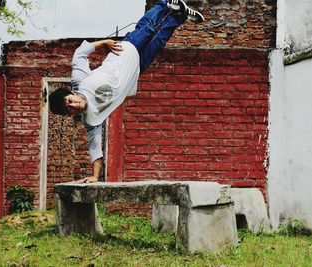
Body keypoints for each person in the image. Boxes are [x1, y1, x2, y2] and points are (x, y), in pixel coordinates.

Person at [48, 0, 204, 183]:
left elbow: (80, 53)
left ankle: (165, 4)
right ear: (69, 114)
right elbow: (95, 148)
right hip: (136, 67)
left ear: (71, 93)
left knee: (148, 28)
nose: (74, 106)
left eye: (70, 101)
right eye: (69, 109)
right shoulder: (91, 119)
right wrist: (94, 176)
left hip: (123, 52)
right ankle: (180, 14)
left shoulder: (79, 81)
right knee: (160, 39)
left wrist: (104, 42)